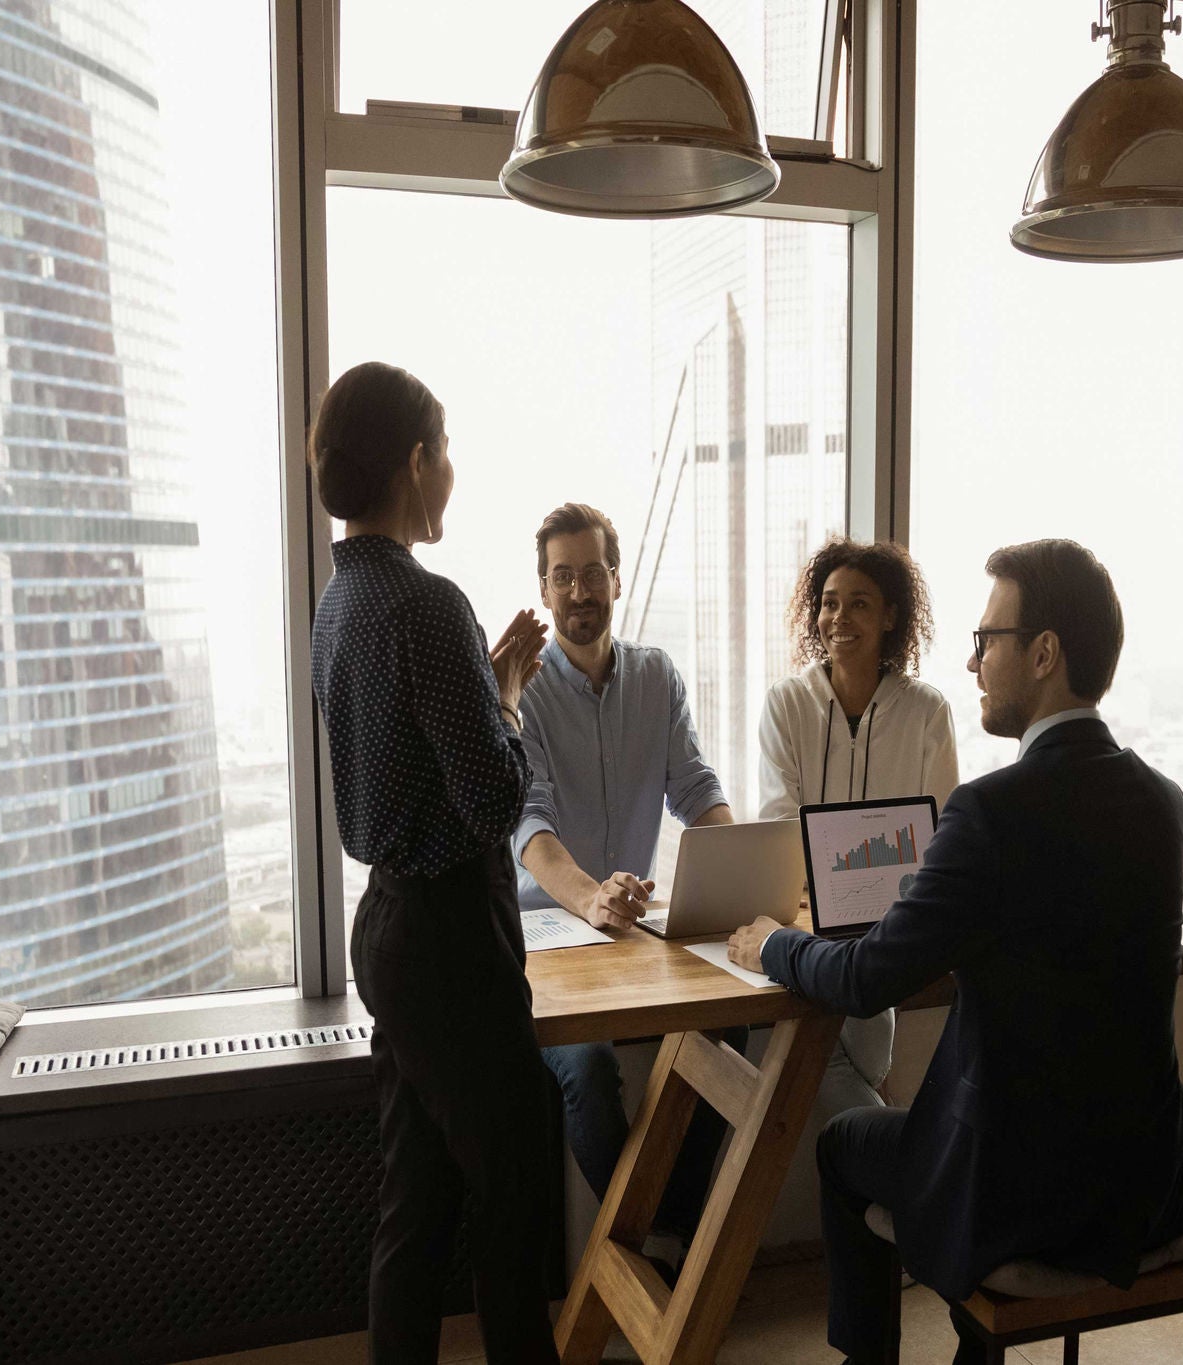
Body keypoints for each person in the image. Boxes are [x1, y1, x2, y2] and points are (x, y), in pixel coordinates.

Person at [729, 539, 1183, 1365]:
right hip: (1141, 1191)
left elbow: (867, 978)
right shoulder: (1165, 805)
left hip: (1015, 1196)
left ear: (1044, 652)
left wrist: (775, 943)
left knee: (843, 1148)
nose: (974, 661)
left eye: (988, 640)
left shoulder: (989, 815)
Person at [310, 361, 559, 1365]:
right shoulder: (425, 604)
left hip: (389, 930)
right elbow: (495, 799)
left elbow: (405, 754)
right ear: (415, 463)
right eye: (444, 453)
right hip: (453, 934)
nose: (450, 473)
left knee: (415, 1200)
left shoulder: (340, 603)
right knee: (516, 1187)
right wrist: (502, 701)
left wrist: (484, 684)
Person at [512, 501, 741, 1271]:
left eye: (592, 574)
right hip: (548, 943)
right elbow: (529, 827)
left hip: (629, 940)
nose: (580, 591)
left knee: (729, 1026)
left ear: (617, 578)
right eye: (562, 576)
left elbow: (696, 787)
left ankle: (667, 1234)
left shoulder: (655, 675)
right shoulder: (524, 691)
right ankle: (636, 1257)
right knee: (588, 1064)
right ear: (544, 591)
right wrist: (588, 898)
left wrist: (744, 859)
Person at [758, 537, 958, 1115]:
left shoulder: (926, 711)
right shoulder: (786, 703)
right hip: (803, 920)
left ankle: (873, 1158)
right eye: (828, 603)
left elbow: (938, 831)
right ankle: (882, 1153)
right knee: (843, 1065)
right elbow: (778, 821)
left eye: (859, 604)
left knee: (857, 1050)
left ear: (891, 616)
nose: (838, 618)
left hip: (890, 921)